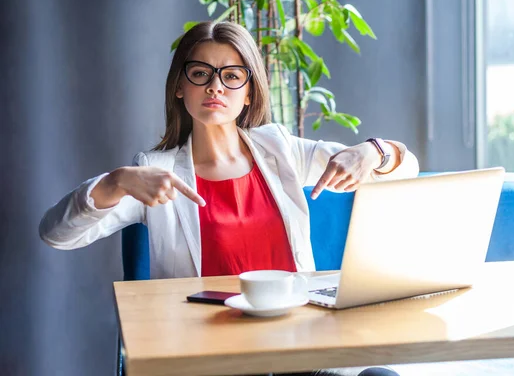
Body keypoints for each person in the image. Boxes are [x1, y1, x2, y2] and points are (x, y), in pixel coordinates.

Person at [39, 21, 418, 376]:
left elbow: (406, 170)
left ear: (249, 91)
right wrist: (116, 182)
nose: (215, 87)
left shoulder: (281, 151)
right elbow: (57, 234)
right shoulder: (155, 173)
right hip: (209, 356)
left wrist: (374, 151)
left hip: (296, 349)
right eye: (200, 73)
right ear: (179, 86)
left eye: (232, 76)